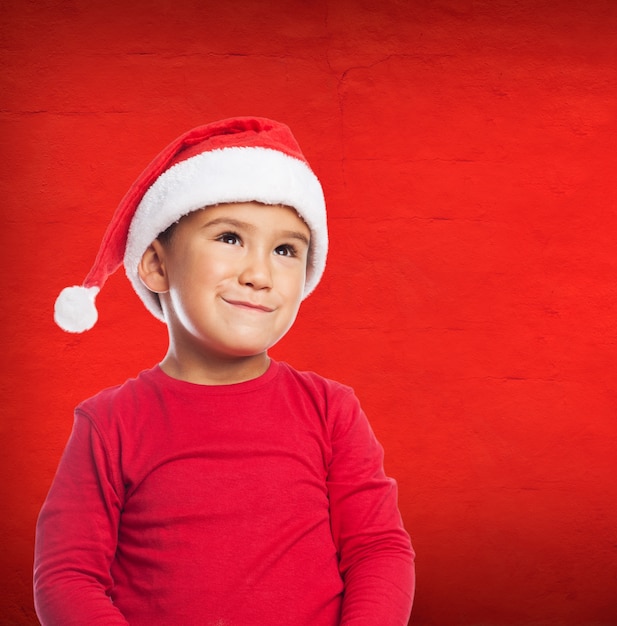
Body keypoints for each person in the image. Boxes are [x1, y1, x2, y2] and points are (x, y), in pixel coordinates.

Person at [34, 117, 415, 625]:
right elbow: (67, 576)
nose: (259, 275)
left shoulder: (330, 410)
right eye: (230, 237)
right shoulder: (109, 423)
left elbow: (378, 550)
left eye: (285, 251)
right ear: (155, 265)